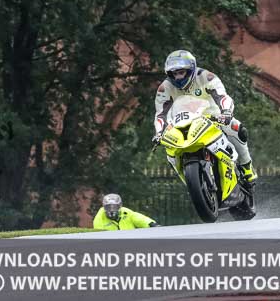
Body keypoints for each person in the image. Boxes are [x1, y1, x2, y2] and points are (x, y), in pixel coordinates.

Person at [152, 49, 257, 183]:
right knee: (169, 150)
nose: (178, 77)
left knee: (236, 127)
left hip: (212, 117)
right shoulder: (164, 88)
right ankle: (189, 183)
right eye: (174, 74)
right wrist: (159, 133)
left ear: (191, 69)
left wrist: (226, 113)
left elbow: (222, 96)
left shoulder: (207, 77)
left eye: (181, 72)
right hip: (181, 123)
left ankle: (247, 166)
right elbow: (160, 114)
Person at [93, 193, 159, 230]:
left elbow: (138, 218)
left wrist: (151, 224)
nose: (112, 210)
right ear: (104, 207)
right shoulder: (99, 218)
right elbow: (99, 234)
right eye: (108, 207)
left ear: (120, 206)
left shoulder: (125, 212)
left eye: (115, 207)